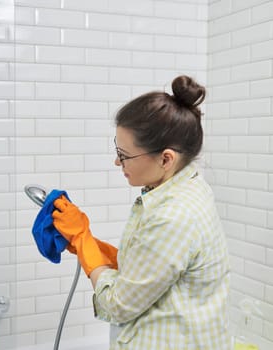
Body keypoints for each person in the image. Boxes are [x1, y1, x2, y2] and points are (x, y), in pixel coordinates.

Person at [52, 75, 230, 349]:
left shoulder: (173, 215)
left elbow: (117, 305)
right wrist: (87, 244)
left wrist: (84, 242)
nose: (117, 161)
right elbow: (152, 264)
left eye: (124, 155)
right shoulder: (187, 188)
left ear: (165, 158)